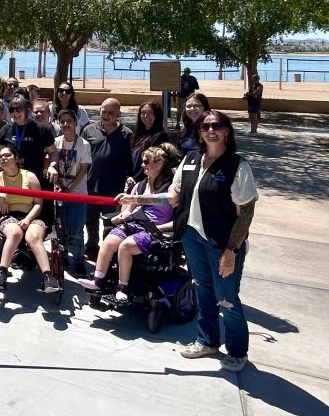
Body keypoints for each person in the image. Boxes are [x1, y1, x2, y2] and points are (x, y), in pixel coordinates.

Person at [118, 111, 257, 372]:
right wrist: (136, 199)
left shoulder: (237, 166)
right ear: (199, 132)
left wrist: (231, 251)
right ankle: (207, 341)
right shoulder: (191, 160)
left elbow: (246, 213)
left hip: (222, 244)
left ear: (227, 131)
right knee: (203, 290)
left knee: (226, 298)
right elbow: (171, 198)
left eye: (217, 125)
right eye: (205, 126)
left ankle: (238, 351)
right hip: (192, 238)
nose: (210, 130)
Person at [80, 145, 177, 302]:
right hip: (134, 224)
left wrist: (159, 228)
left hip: (155, 230)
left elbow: (178, 221)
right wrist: (120, 217)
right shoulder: (139, 186)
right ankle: (98, 281)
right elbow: (129, 210)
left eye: (146, 162)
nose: (142, 165)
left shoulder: (171, 189)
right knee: (109, 240)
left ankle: (122, 288)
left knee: (126, 246)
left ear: (159, 164)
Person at [0, 145, 61, 293]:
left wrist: (28, 220)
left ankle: (49, 277)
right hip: (8, 215)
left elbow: (38, 204)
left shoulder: (29, 176)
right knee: (15, 233)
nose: (3, 158)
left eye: (7, 156)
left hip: (32, 214)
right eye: (1, 156)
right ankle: (2, 273)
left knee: (34, 236)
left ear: (16, 159)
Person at [0, 95, 59, 226]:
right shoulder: (6, 129)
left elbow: (53, 152)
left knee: (41, 216)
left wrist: (52, 166)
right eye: (12, 110)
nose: (15, 114)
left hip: (35, 178)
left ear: (27, 110)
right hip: (12, 179)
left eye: (19, 110)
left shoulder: (42, 129)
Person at [80, 98, 132, 256]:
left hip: (114, 187)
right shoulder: (88, 130)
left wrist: (130, 178)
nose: (106, 115)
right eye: (104, 111)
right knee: (90, 219)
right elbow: (81, 157)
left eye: (111, 112)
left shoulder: (127, 134)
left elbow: (129, 161)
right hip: (91, 184)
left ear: (118, 114)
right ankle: (91, 245)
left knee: (110, 220)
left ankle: (107, 250)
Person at [54, 109, 92, 276]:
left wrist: (69, 188)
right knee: (61, 228)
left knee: (76, 230)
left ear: (76, 123)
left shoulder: (84, 144)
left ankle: (78, 260)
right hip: (59, 192)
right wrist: (60, 185)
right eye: (62, 121)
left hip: (77, 192)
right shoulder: (56, 142)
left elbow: (84, 169)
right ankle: (62, 256)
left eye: (69, 121)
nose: (65, 124)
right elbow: (53, 165)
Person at [128, 101, 169, 187]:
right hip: (133, 181)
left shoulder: (160, 136)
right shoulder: (137, 135)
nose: (146, 116)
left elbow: (153, 161)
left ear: (157, 115)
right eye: (143, 113)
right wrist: (129, 177)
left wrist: (135, 179)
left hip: (148, 182)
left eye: (150, 113)